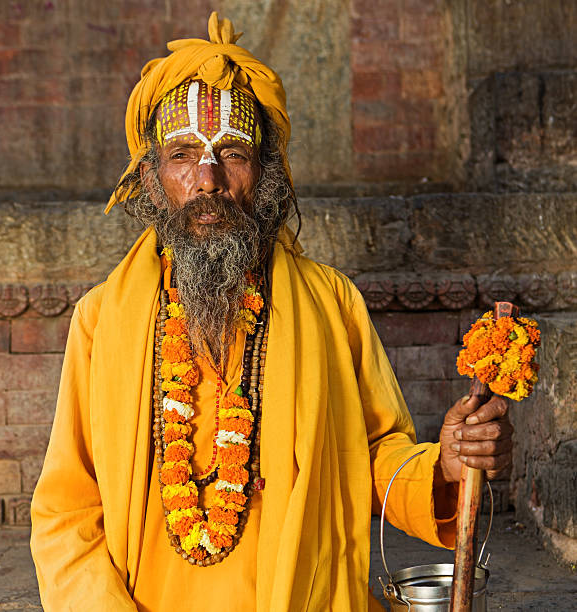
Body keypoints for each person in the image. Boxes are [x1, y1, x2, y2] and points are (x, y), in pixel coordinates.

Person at [30, 13, 513, 612]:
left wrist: (443, 465)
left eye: (230, 153)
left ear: (265, 175)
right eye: (183, 155)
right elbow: (66, 510)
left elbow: (371, 459)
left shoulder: (332, 304)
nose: (207, 180)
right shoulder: (100, 321)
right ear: (153, 178)